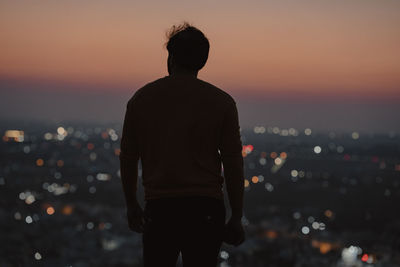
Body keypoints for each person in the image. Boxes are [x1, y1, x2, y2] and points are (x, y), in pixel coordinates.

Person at [119, 22, 245, 267]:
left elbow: (128, 157)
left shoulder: (142, 99)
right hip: (206, 208)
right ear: (203, 61)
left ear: (171, 57)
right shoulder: (222, 103)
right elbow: (232, 162)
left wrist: (131, 204)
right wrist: (237, 216)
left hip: (160, 208)